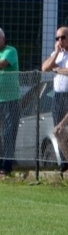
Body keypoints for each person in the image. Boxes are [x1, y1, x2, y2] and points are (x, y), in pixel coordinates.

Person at [0, 28, 19, 175]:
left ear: (3, 39)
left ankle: (6, 165)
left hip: (10, 100)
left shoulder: (10, 50)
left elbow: (3, 63)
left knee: (8, 133)